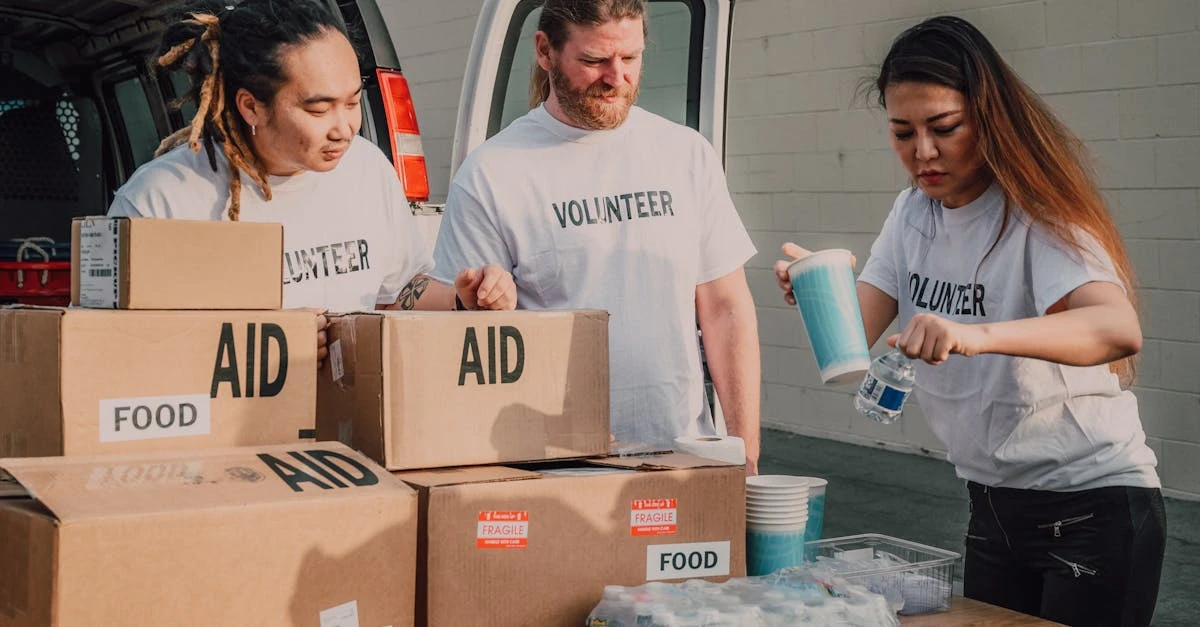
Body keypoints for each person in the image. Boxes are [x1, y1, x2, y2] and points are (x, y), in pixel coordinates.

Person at [774, 16, 1164, 626]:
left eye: (944, 128)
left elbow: (1116, 328)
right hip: (993, 507)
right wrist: (817, 288)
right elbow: (856, 342)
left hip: (1094, 506)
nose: (922, 152)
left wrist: (975, 336)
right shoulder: (912, 213)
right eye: (902, 133)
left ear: (987, 118)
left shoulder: (1037, 212)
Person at [431, 0, 762, 473]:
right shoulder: (493, 173)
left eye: (630, 58)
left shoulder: (686, 155)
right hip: (555, 468)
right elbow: (465, 346)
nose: (616, 77)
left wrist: (745, 450)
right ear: (545, 51)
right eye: (593, 61)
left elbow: (725, 308)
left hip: (687, 456)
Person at [107, 0, 516, 363]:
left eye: (354, 102)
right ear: (251, 106)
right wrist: (263, 345)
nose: (345, 128)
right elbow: (110, 351)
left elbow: (394, 293)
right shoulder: (159, 202)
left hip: (346, 433)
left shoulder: (367, 169)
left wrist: (464, 301)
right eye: (319, 110)